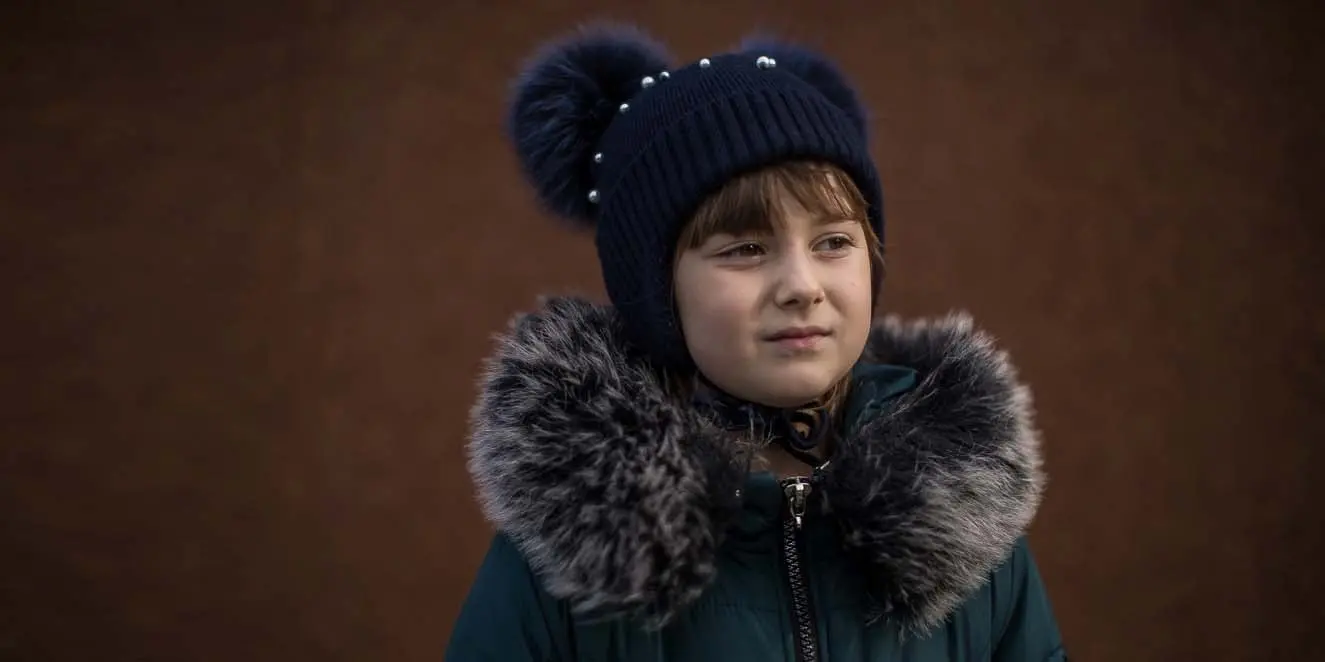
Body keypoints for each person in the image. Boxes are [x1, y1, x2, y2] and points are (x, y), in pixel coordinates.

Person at [447, 23, 1066, 662]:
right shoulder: (568, 557)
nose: (801, 286)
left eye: (833, 242)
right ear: (656, 295)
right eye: (744, 249)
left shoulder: (966, 527)